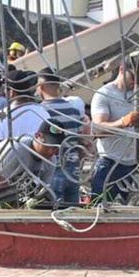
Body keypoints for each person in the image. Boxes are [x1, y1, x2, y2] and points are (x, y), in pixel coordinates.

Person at [90, 60, 139, 202]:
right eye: (133, 77)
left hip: (132, 164)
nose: (136, 82)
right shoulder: (104, 94)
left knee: (126, 212)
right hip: (109, 162)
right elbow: (98, 130)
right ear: (122, 69)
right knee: (99, 208)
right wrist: (123, 122)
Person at [0, 121, 63, 197]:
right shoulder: (15, 150)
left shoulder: (51, 160)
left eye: (56, 147)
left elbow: (44, 191)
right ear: (38, 136)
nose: (53, 151)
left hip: (12, 193)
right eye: (50, 145)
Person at [38, 68, 88, 206]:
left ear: (40, 87)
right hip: (73, 170)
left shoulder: (41, 111)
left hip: (53, 170)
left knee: (55, 215)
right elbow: (80, 142)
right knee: (73, 212)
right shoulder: (74, 110)